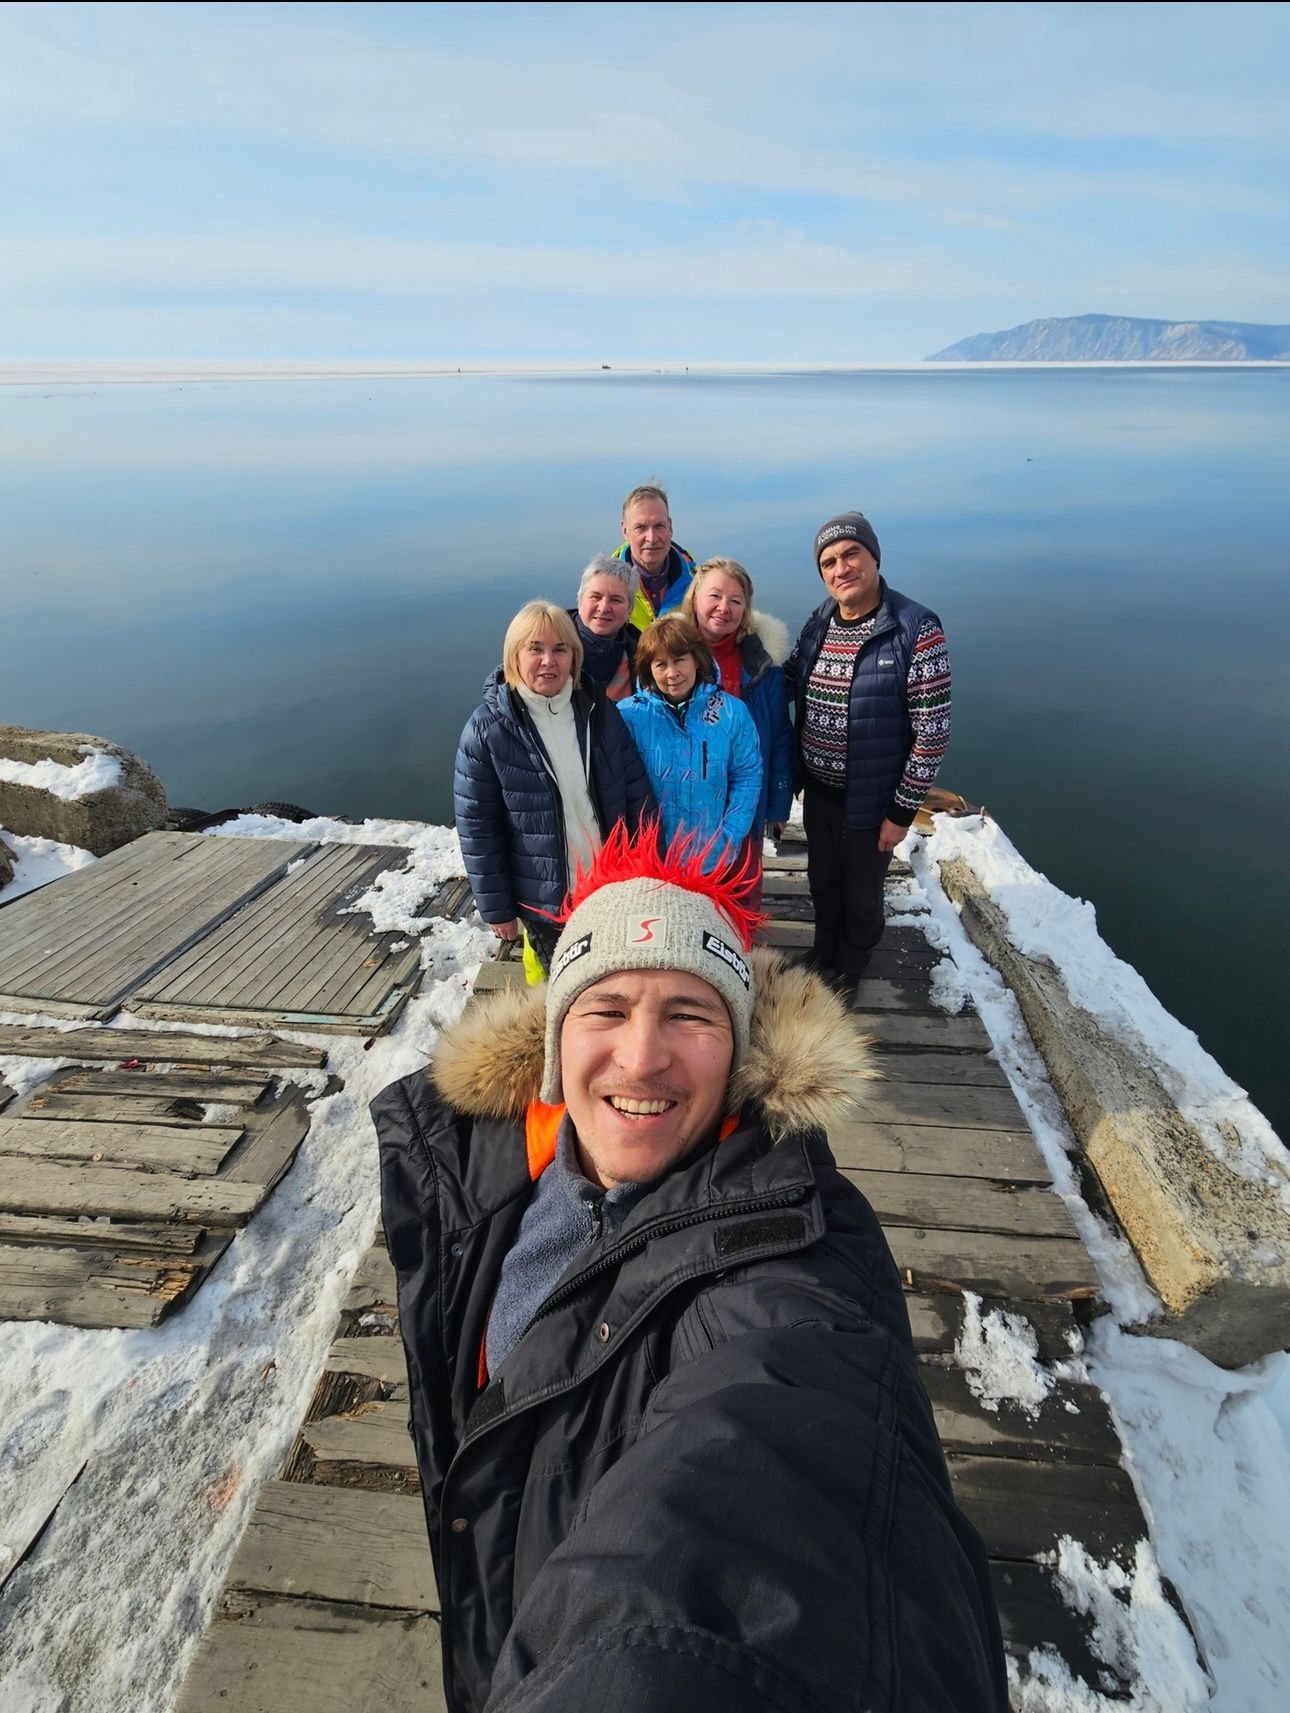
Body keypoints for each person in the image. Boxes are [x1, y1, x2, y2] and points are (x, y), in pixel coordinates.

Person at [372, 822, 1008, 1713]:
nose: (641, 1057)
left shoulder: (798, 1250)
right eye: (606, 1008)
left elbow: (778, 1437)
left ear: (740, 1048)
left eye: (689, 1013)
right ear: (555, 1042)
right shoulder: (485, 1176)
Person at [785, 510, 952, 997]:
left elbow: (932, 732)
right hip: (819, 791)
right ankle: (824, 951)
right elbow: (789, 679)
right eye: (829, 562)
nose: (841, 568)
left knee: (861, 894)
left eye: (851, 554)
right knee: (822, 880)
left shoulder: (915, 628)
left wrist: (900, 812)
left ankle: (850, 967)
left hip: (873, 800)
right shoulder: (820, 620)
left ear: (874, 557)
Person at [453, 600, 654, 973]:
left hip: (611, 883)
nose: (548, 661)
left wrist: (647, 866)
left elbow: (636, 792)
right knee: (564, 983)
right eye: (535, 649)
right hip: (547, 900)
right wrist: (497, 908)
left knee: (614, 975)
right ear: (514, 656)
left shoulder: (598, 710)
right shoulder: (487, 730)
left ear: (574, 657)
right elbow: (478, 829)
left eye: (560, 649)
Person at [616, 613, 762, 873]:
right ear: (648, 669)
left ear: (696, 659)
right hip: (649, 861)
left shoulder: (731, 713)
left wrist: (730, 836)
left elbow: (747, 774)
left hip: (712, 859)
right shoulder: (628, 716)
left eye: (679, 660)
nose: (672, 673)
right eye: (660, 664)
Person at [682, 555, 793, 879]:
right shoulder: (668, 657)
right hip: (683, 807)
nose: (724, 607)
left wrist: (778, 805)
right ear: (695, 598)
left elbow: (779, 739)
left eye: (735, 600)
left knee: (740, 889)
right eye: (715, 596)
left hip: (744, 805)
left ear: (745, 609)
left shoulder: (762, 669)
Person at [611, 481, 695, 629]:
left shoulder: (696, 584)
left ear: (670, 527)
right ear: (625, 531)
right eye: (641, 527)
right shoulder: (605, 587)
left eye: (659, 526)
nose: (651, 538)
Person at [567, 553, 640, 703]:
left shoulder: (642, 653)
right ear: (580, 601)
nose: (604, 608)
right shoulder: (550, 644)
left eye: (616, 600)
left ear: (630, 610)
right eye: (596, 597)